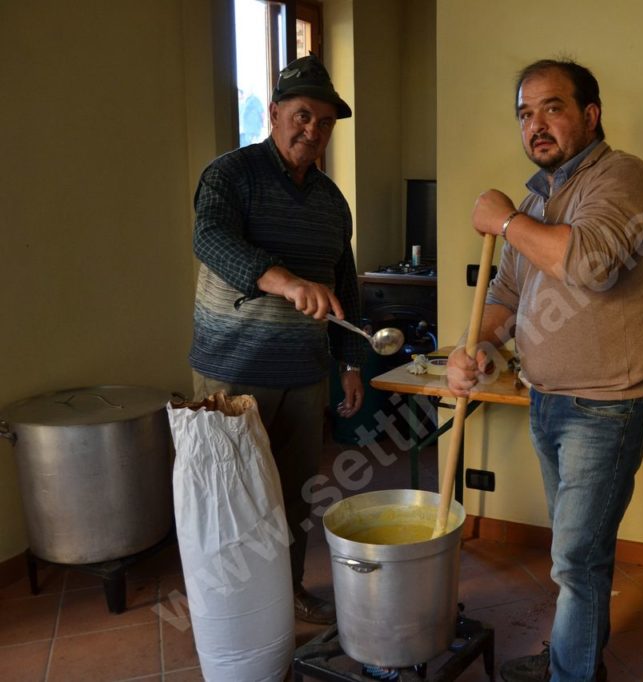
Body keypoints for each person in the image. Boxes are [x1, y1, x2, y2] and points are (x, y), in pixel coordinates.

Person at [447, 59, 643, 682]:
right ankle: (577, 661)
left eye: (552, 107)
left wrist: (502, 221)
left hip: (609, 405)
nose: (536, 125)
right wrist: (471, 347)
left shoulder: (624, 179)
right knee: (580, 553)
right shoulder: (538, 200)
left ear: (590, 115)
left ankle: (571, 674)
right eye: (525, 113)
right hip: (549, 401)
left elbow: (592, 264)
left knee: (575, 558)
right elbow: (503, 296)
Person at [188, 53, 364, 624]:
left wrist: (351, 364)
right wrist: (283, 280)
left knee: (293, 497)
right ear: (276, 113)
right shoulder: (230, 175)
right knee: (232, 498)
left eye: (326, 122)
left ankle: (285, 594)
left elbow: (346, 286)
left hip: (305, 375)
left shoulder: (332, 202)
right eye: (303, 115)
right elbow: (210, 239)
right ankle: (233, 611)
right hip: (232, 371)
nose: (313, 130)